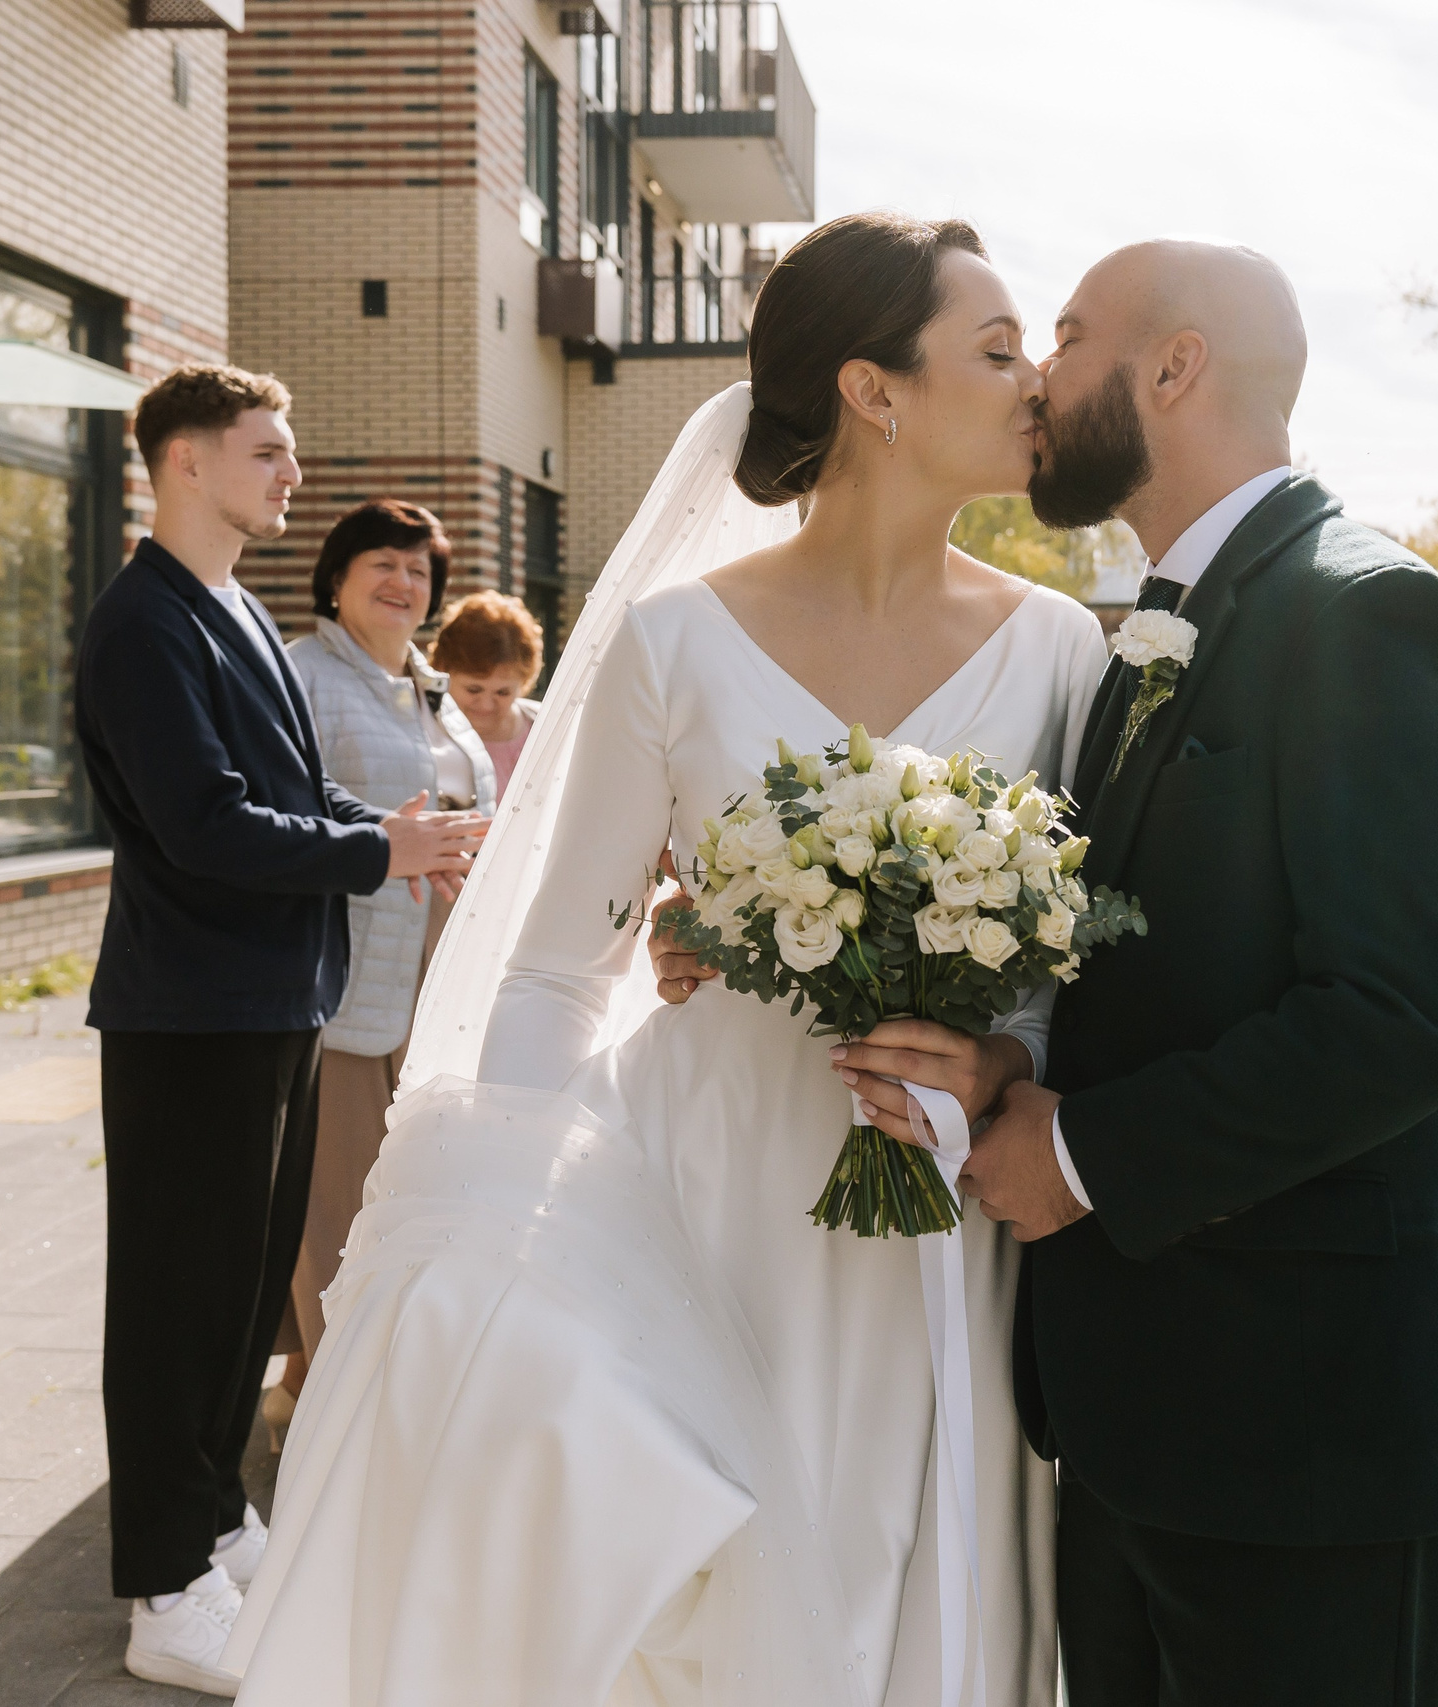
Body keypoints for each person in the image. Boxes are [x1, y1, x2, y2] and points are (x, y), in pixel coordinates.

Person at [228, 212, 1105, 1705]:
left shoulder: (1065, 648)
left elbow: (1066, 961)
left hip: (937, 1197)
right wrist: (494, 1236)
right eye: (1001, 349)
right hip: (701, 1191)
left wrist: (1002, 1055)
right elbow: (565, 961)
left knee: (911, 1559)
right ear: (874, 391)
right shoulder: (674, 641)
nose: (1040, 387)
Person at [941, 241, 1438, 1705]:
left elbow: (1409, 1014)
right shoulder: (1158, 621)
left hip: (1309, 1431)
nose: (1038, 373)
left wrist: (1079, 1150)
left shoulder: (1366, 609)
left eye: (1067, 335)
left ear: (1175, 366)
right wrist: (1023, 1063)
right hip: (1147, 1408)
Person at [72, 363, 482, 1695]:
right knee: (176, 1302)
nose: (292, 474)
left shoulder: (235, 606)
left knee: (246, 1296)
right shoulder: (144, 625)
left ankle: (216, 1522)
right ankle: (161, 1584)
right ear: (183, 460)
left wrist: (392, 846)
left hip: (273, 998)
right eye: (269, 451)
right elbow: (203, 825)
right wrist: (384, 845)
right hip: (189, 1010)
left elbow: (282, 797)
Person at [266, 499, 492, 1432]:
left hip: (439, 979)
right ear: (336, 576)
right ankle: (340, 1403)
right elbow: (283, 820)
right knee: (340, 1196)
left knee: (407, 1188)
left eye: (418, 569)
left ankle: (307, 1387)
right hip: (347, 976)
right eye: (381, 564)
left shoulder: (429, 684)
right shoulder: (300, 676)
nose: (403, 582)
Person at [430, 590, 545, 802]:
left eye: (503, 692)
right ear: (444, 671)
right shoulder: (426, 733)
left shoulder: (546, 730)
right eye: (474, 689)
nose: (485, 704)